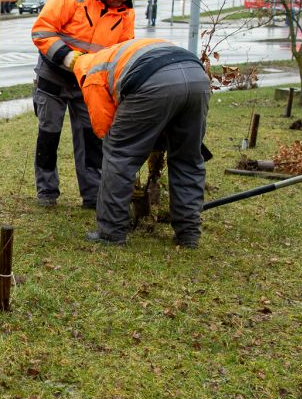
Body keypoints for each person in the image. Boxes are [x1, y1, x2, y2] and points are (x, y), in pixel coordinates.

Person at [70, 37, 210, 248]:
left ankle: (111, 232)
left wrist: (138, 140)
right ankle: (188, 234)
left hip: (153, 81)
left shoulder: (90, 75)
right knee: (187, 159)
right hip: (197, 78)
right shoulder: (117, 53)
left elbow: (104, 128)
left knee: (119, 155)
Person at [30, 0, 145, 208]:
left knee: (91, 139)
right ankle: (47, 192)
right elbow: (41, 30)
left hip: (89, 82)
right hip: (54, 77)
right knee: (49, 135)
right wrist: (67, 57)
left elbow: (123, 51)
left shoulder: (125, 13)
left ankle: (92, 195)